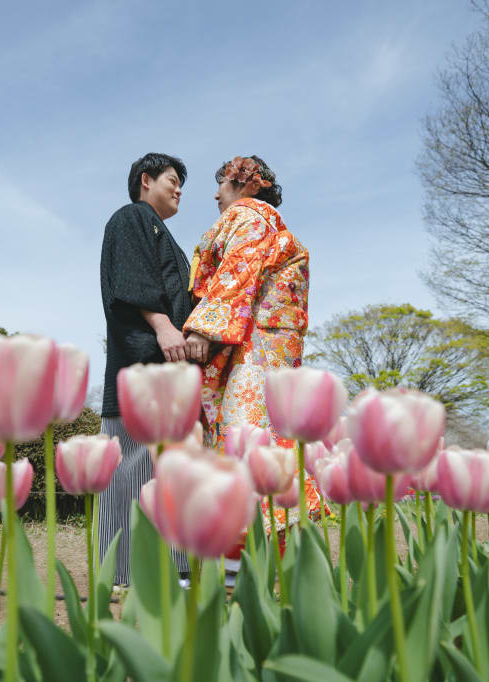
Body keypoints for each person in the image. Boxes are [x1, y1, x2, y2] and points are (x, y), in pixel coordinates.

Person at [181, 155, 321, 535]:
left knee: (247, 433)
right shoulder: (273, 226)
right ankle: (272, 557)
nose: (215, 195)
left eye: (221, 185)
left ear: (247, 185)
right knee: (271, 440)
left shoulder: (249, 216)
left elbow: (238, 268)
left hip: (252, 348)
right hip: (270, 347)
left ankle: (245, 559)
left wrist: (203, 328)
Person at [98, 153, 194, 587]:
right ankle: (123, 575)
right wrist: (162, 324)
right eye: (172, 180)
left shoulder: (164, 234)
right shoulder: (131, 218)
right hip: (139, 363)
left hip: (169, 367)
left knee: (165, 468)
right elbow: (130, 282)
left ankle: (172, 568)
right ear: (145, 180)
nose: (178, 190)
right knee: (130, 467)